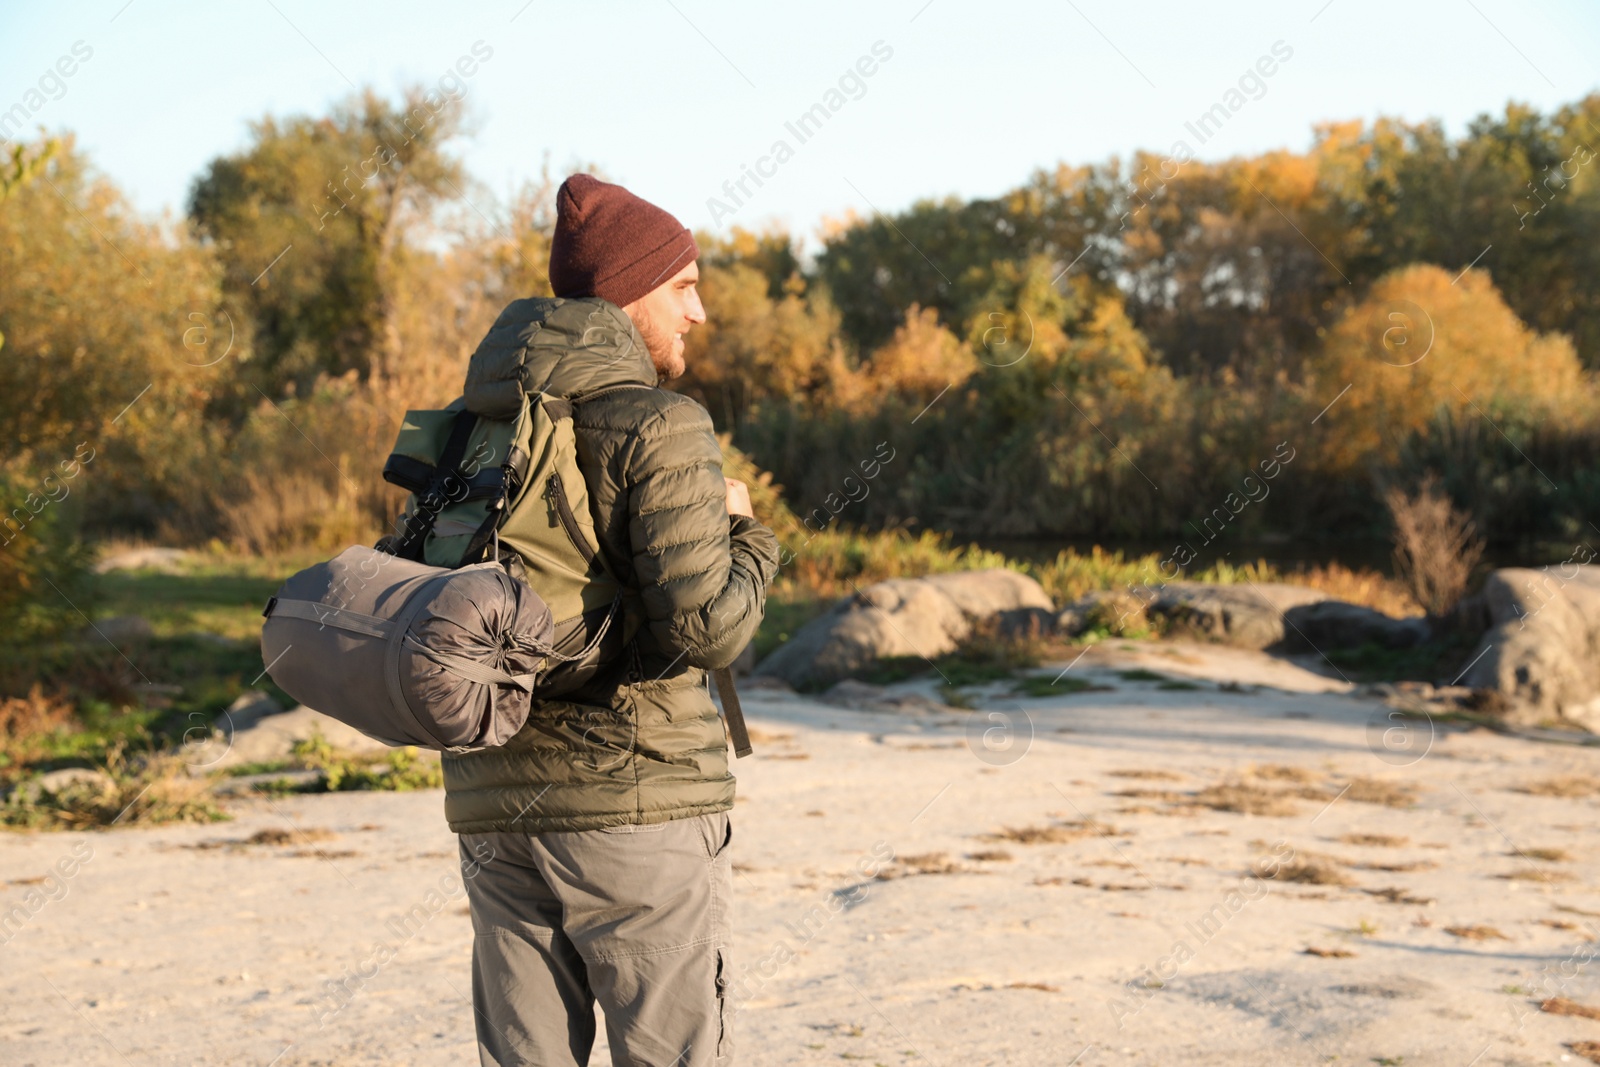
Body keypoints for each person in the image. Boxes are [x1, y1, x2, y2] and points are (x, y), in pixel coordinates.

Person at [444, 173, 780, 1066]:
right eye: (684, 287)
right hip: (635, 803)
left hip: (493, 801)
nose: (698, 313)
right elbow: (706, 633)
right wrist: (751, 537)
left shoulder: (477, 421)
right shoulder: (660, 423)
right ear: (631, 293)